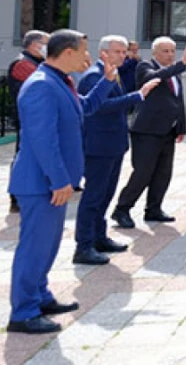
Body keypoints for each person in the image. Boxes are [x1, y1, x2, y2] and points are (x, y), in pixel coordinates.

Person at [8, 29, 117, 334]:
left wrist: (108, 82)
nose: (88, 56)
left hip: (52, 183)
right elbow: (43, 140)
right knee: (34, 248)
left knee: (46, 246)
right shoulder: (41, 86)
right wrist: (58, 180)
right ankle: (24, 312)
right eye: (84, 50)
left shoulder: (60, 81)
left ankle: (39, 297)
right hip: (41, 183)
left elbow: (85, 108)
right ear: (67, 52)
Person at [74, 36, 161, 265]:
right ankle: (83, 246)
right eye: (118, 51)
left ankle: (99, 237)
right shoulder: (94, 76)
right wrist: (138, 95)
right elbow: (98, 107)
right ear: (104, 52)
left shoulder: (113, 72)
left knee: (105, 195)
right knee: (93, 197)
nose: (123, 55)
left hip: (112, 145)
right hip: (98, 147)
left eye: (124, 52)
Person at [111, 37, 186, 228]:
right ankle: (122, 209)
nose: (170, 55)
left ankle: (153, 209)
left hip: (168, 131)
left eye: (173, 51)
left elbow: (178, 101)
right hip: (147, 130)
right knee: (143, 173)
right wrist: (181, 64)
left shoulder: (174, 72)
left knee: (163, 173)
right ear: (154, 52)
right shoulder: (145, 66)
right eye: (165, 51)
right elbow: (153, 78)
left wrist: (181, 127)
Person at [6, 30, 49, 214]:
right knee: (24, 158)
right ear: (34, 45)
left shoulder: (37, 63)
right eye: (47, 43)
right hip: (28, 121)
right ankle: (17, 197)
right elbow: (43, 84)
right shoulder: (23, 64)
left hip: (37, 120)